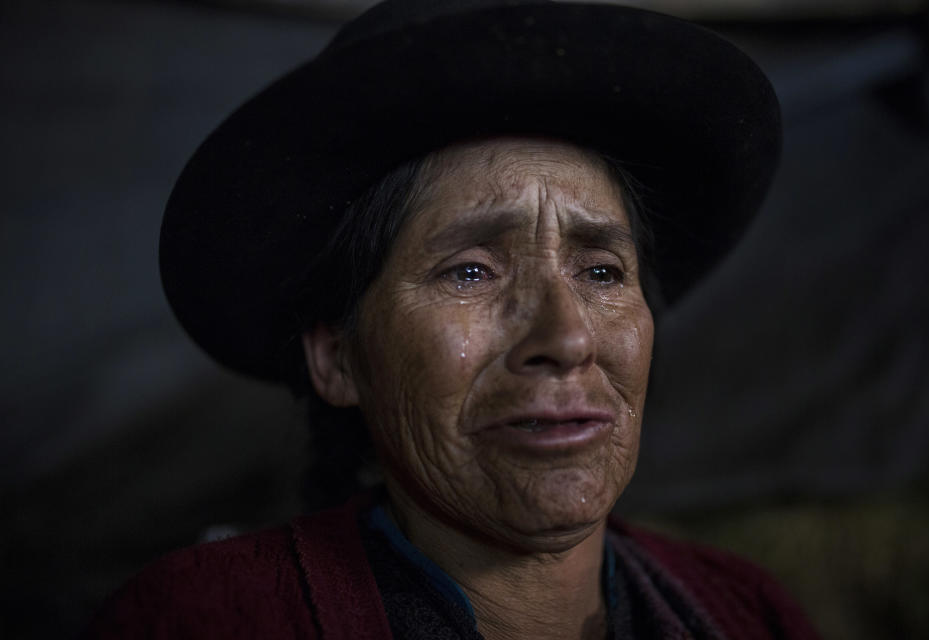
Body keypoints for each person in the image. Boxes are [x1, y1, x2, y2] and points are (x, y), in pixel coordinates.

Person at [87, 0, 819, 638]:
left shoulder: (747, 610)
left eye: (601, 272)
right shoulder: (202, 619)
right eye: (469, 271)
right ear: (337, 359)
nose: (566, 339)